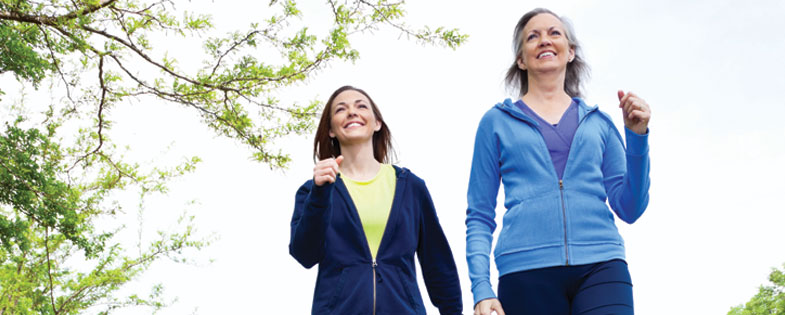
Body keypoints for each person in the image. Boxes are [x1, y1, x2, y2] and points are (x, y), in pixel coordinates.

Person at [466, 8, 652, 315]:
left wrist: (637, 137)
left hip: (601, 265)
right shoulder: (495, 123)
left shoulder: (599, 124)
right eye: (532, 36)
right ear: (521, 59)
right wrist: (481, 289)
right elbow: (479, 215)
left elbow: (630, 207)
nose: (544, 40)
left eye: (554, 33)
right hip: (524, 270)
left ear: (570, 52)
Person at [289, 85, 463, 315]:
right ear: (331, 129)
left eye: (361, 106)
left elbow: (437, 262)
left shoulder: (411, 187)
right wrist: (320, 195)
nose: (352, 112)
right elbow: (305, 255)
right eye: (341, 109)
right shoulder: (314, 191)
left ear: (377, 123)